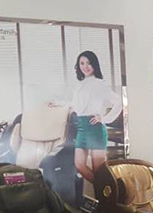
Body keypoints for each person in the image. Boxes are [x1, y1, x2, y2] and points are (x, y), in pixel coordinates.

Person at [49, 51, 122, 182]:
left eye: (89, 63)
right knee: (80, 165)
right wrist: (57, 103)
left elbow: (118, 102)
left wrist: (104, 119)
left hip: (95, 129)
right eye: (82, 63)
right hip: (82, 128)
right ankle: (106, 189)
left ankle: (106, 192)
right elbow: (76, 105)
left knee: (99, 170)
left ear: (94, 64)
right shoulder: (79, 85)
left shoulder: (99, 83)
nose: (85, 66)